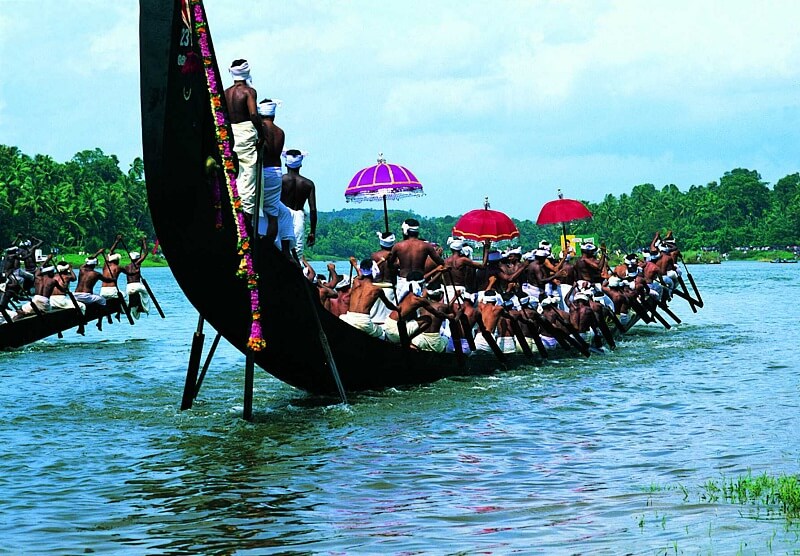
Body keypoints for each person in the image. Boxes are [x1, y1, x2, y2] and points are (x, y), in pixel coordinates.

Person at [225, 59, 263, 228]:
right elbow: (254, 114)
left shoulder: (225, 93)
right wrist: (261, 134)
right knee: (248, 174)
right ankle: (245, 220)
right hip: (246, 132)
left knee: (234, 171)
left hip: (231, 134)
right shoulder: (249, 92)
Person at [339, 258, 397, 339]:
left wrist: (354, 264)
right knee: (384, 335)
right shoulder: (377, 289)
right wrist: (397, 309)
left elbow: (360, 273)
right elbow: (389, 305)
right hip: (364, 322)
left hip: (348, 319)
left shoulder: (356, 282)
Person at [387, 219, 444, 296]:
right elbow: (442, 263)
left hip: (403, 281)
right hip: (420, 281)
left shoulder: (398, 246)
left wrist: (398, 265)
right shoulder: (426, 246)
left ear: (405, 231)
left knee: (398, 307)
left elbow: (390, 265)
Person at [257, 98, 286, 245]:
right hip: (277, 172)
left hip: (263, 171)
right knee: (273, 214)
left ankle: (255, 240)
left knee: (255, 208)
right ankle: (269, 245)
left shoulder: (259, 128)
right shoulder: (280, 132)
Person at [281, 149, 316, 257]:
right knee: (297, 250)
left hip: (282, 215)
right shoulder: (308, 184)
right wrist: (312, 232)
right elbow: (313, 210)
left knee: (281, 247)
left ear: (286, 164)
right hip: (299, 217)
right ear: (300, 165)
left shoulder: (280, 180)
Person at [122, 239, 151, 319]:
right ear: (137, 259)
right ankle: (145, 308)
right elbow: (145, 253)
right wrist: (144, 241)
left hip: (128, 287)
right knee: (145, 293)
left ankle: (135, 306)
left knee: (134, 294)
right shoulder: (137, 264)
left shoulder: (126, 267)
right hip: (137, 285)